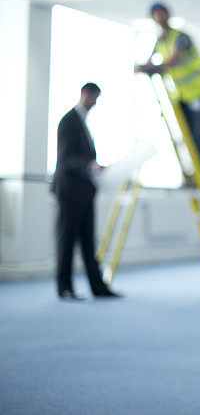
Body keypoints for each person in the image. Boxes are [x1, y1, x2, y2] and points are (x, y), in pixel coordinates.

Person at [52, 83, 120, 300]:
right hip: (70, 192)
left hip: (85, 192)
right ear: (85, 94)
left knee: (89, 242)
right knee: (67, 240)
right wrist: (90, 165)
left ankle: (98, 287)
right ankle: (65, 287)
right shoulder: (68, 121)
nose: (96, 102)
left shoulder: (82, 122)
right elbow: (66, 158)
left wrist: (95, 167)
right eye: (95, 97)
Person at [135, 2, 200, 169]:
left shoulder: (180, 37)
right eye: (156, 14)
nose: (159, 17)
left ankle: (199, 169)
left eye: (161, 13)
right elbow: (151, 61)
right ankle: (190, 171)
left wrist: (150, 68)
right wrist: (143, 67)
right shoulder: (160, 41)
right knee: (187, 135)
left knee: (198, 134)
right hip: (184, 95)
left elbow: (172, 61)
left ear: (168, 14)